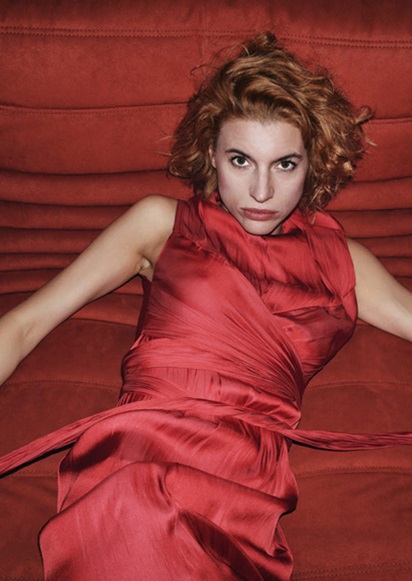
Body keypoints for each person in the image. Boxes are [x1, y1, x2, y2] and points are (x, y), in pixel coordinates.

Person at [0, 32, 411, 580]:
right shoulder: (161, 223)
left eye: (284, 165)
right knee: (135, 510)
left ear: (311, 164)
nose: (261, 191)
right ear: (211, 154)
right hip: (139, 452)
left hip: (242, 482)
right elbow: (25, 325)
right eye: (241, 160)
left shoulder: (343, 260)